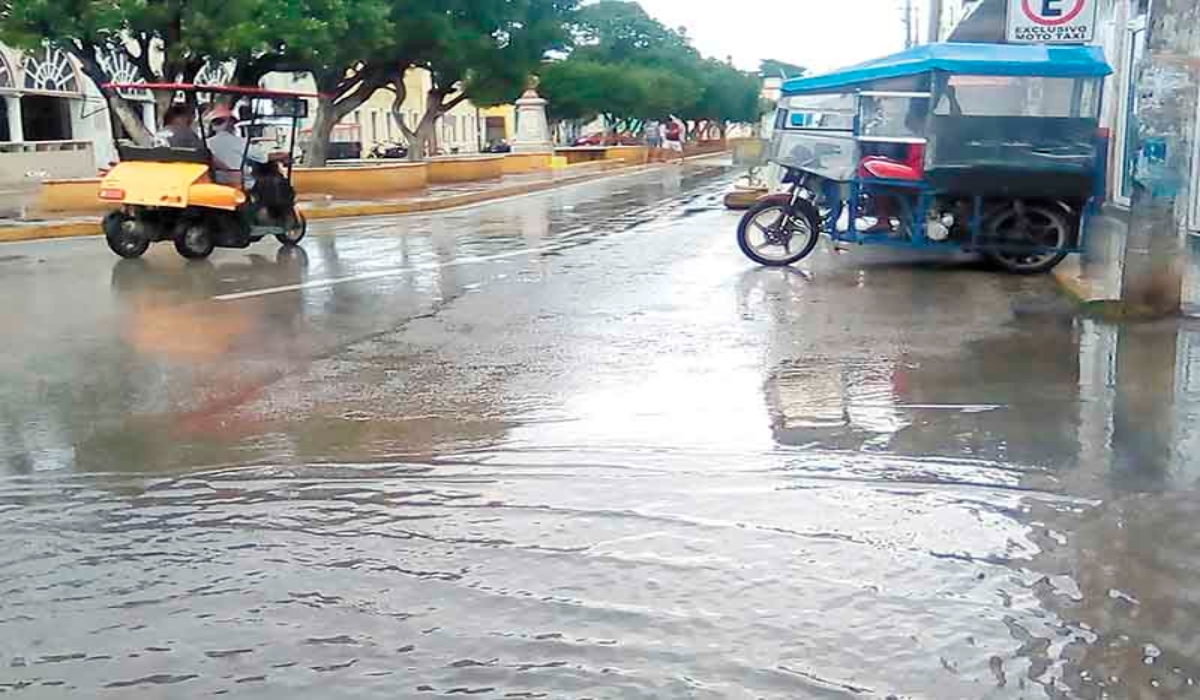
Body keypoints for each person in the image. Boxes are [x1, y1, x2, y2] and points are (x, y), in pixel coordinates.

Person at [204, 104, 268, 188]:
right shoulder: (239, 142)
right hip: (240, 185)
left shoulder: (204, 143)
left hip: (213, 184)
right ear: (231, 123)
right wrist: (282, 155)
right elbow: (263, 157)